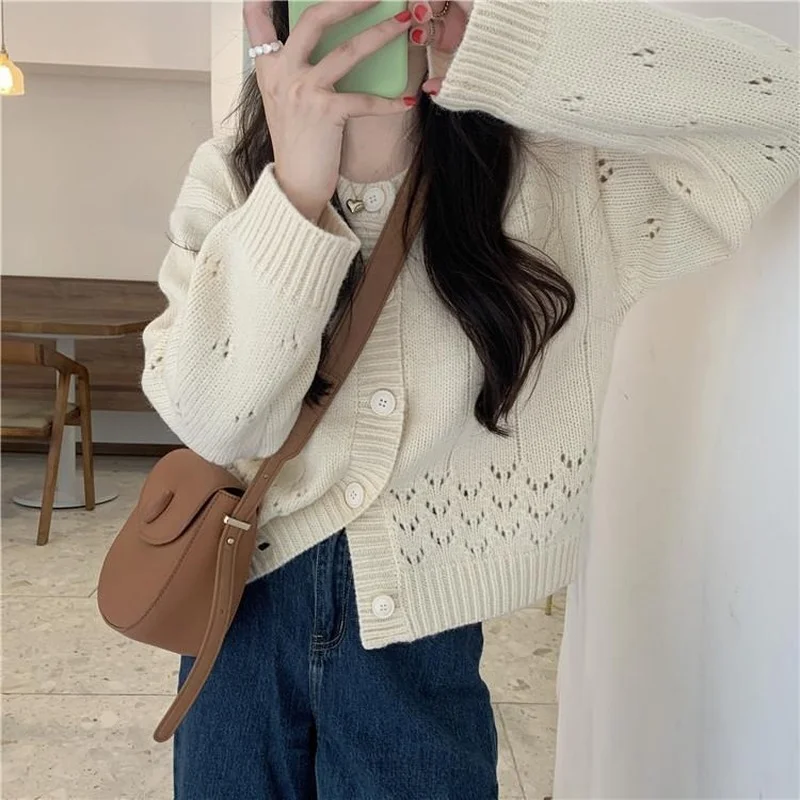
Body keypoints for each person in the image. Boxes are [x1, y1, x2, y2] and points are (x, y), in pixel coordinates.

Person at [141, 1, 798, 797]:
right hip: (240, 609)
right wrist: (295, 194)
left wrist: (511, 44)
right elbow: (214, 421)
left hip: (423, 638)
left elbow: (781, 104)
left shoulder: (560, 174)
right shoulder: (231, 174)